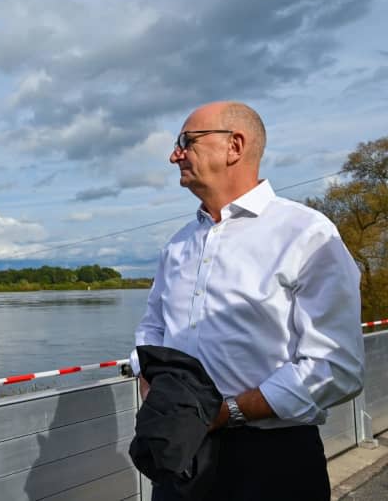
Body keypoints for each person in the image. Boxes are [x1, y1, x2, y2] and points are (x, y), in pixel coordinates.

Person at [129, 101, 365, 500]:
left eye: (186, 141)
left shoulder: (305, 233)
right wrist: (152, 386)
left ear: (234, 146)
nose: (175, 155)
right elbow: (152, 329)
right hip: (179, 453)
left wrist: (226, 413)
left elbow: (336, 366)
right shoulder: (178, 245)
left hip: (272, 464)